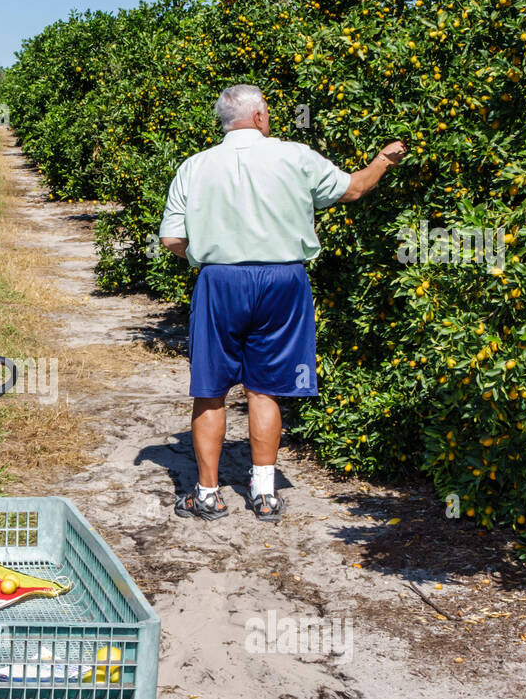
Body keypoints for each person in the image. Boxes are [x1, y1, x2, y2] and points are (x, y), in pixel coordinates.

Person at [159, 84, 406, 521]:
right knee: (266, 386)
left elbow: (172, 238)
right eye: (267, 112)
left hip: (220, 281)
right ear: (257, 117)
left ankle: (208, 493)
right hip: (283, 281)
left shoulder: (194, 167)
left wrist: (205, 256)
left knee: (210, 390)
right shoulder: (295, 155)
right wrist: (384, 160)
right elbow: (354, 189)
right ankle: (265, 493)